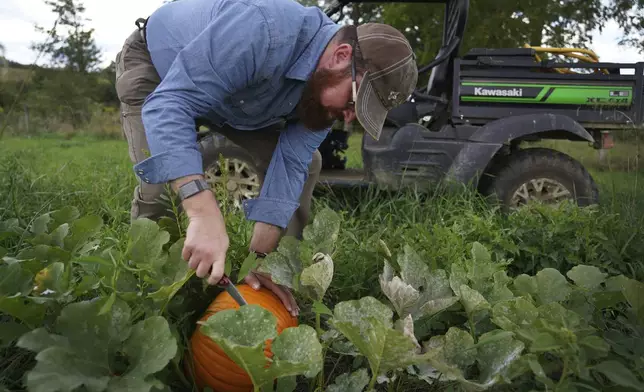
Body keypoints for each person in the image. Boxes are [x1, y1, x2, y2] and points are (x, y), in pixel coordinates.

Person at [114, 0, 418, 316]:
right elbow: (171, 104)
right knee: (161, 183)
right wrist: (202, 212)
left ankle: (269, 273)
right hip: (160, 70)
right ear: (340, 57)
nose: (350, 117)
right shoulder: (262, 30)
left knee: (309, 163)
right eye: (355, 101)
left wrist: (260, 257)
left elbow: (290, 161)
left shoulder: (324, 89)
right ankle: (147, 294)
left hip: (240, 98)